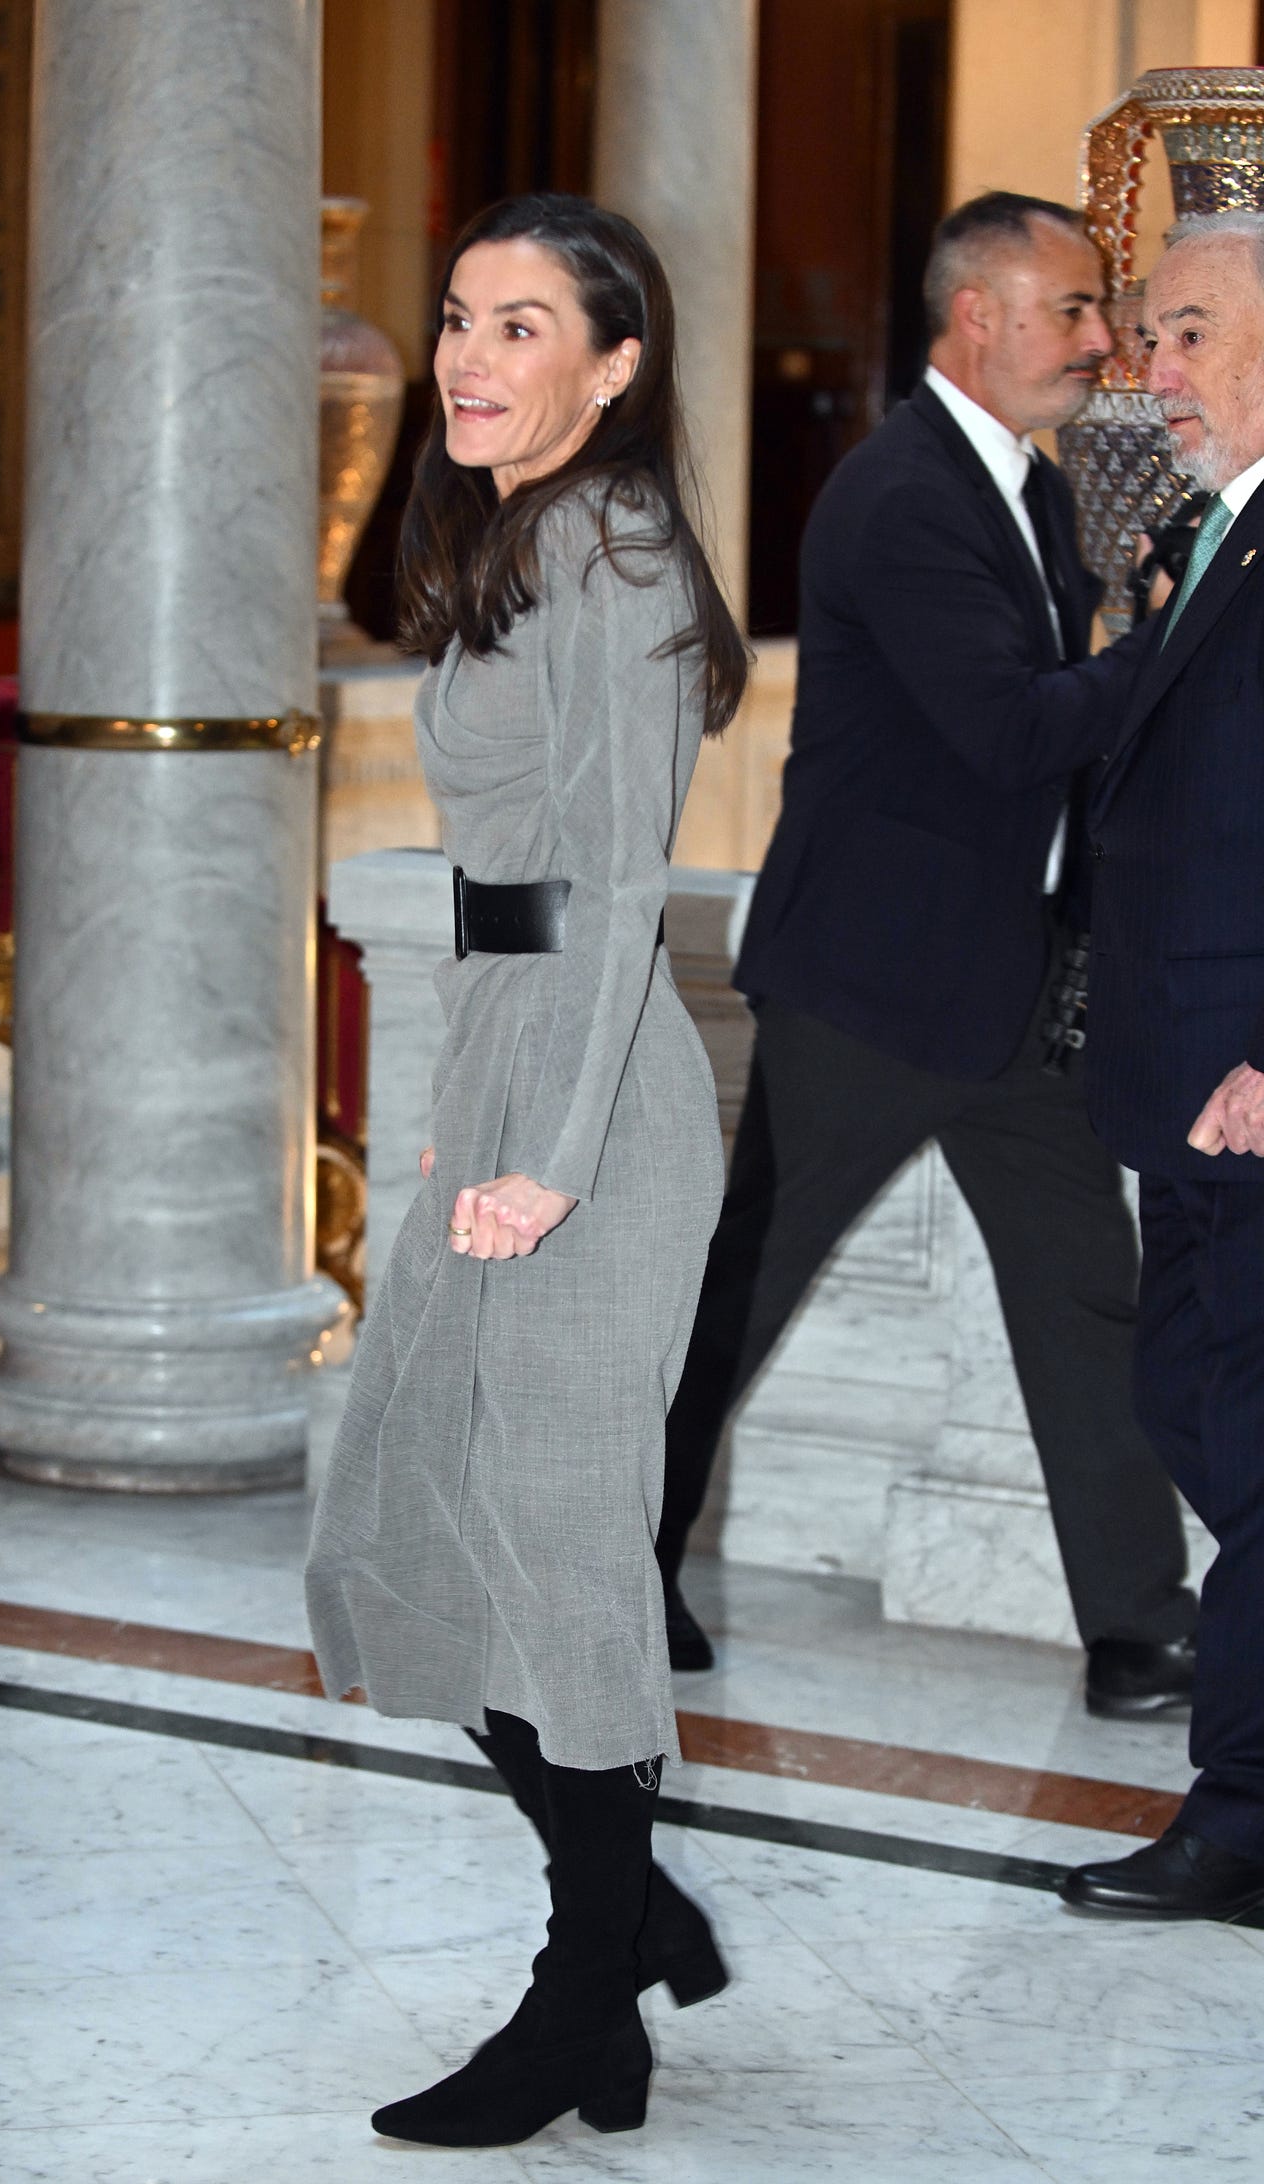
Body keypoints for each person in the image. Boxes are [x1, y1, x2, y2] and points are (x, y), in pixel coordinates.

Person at [305, 192, 746, 2148]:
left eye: (521, 325)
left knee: (553, 1566)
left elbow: (616, 886)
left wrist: (548, 1156)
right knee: (422, 1524)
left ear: (615, 365)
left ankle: (584, 2003)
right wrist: (466, 1095)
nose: (469, 358)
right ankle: (631, 1918)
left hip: (599, 1117)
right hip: (521, 1075)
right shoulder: (520, 538)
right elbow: (510, 889)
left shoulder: (616, 552)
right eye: (458, 318)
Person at [656, 192, 1199, 1715]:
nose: (1101, 340)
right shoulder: (900, 494)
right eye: (1074, 309)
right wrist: (1176, 636)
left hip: (1014, 987)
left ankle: (1139, 1635)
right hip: (871, 988)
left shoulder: (1019, 486)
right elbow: (1012, 730)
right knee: (742, 1288)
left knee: (1085, 1296)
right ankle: (609, 1567)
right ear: (978, 315)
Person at [1062, 211, 1264, 1920]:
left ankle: (1244, 1810)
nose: (1155, 367)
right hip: (1179, 1067)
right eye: (1152, 332)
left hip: (1248, 1079)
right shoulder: (1216, 531)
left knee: (1248, 1428)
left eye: (1190, 331)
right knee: (1185, 1397)